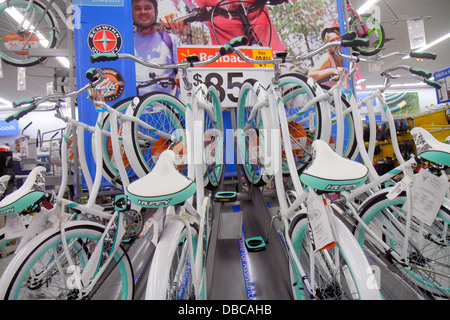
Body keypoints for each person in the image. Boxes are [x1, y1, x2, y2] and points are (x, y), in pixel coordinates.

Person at [161, 0, 286, 52]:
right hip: (228, 62)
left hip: (273, 53)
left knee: (296, 92)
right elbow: (166, 4)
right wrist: (167, 11)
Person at [132, 0, 180, 96]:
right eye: (137, 9)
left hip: (167, 108)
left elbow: (184, 72)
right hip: (135, 108)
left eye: (147, 8)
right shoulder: (126, 43)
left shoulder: (170, 40)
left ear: (156, 11)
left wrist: (180, 77)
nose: (143, 12)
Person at [308, 23, 345, 88]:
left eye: (338, 39)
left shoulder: (346, 56)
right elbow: (311, 75)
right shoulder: (328, 58)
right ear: (328, 46)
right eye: (332, 41)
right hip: (327, 94)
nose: (337, 43)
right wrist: (332, 71)